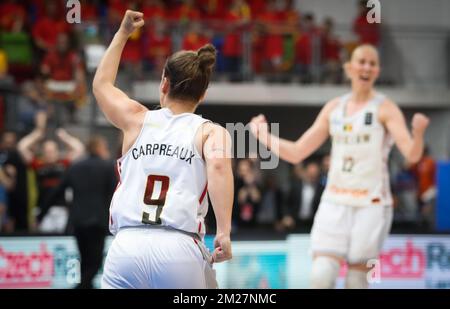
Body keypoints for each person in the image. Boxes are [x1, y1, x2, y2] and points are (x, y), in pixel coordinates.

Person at [250, 44, 430, 289]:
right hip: (335, 200)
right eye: (362, 61)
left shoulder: (385, 108)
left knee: (356, 280)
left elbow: (411, 153)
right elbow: (297, 152)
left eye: (372, 63)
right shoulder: (334, 108)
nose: (367, 67)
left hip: (371, 203)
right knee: (321, 276)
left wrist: (418, 133)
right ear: (349, 68)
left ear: (377, 71)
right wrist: (264, 136)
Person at [93, 10, 233, 289]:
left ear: (164, 83)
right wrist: (225, 231)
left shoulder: (136, 118)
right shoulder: (210, 132)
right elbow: (218, 168)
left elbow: (101, 85)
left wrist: (122, 34)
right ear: (202, 95)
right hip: (178, 244)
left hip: (127, 245)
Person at [39, 136, 116, 289]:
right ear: (99, 148)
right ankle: (82, 286)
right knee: (94, 262)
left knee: (85, 259)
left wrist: (41, 214)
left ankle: (85, 286)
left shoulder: (75, 166)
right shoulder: (107, 166)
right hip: (98, 221)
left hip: (78, 221)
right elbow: (115, 193)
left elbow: (56, 191)